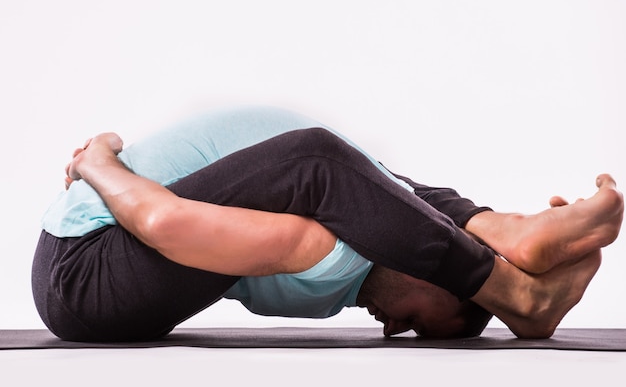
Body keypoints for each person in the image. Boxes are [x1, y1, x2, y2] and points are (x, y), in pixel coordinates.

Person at [33, 106, 623, 342]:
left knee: (323, 162)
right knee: (371, 179)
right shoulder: (345, 243)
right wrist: (102, 157)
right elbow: (400, 201)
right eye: (415, 322)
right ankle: (506, 238)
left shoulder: (327, 256)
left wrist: (99, 162)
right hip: (85, 264)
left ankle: (513, 283)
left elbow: (163, 219)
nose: (391, 328)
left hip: (85, 274)